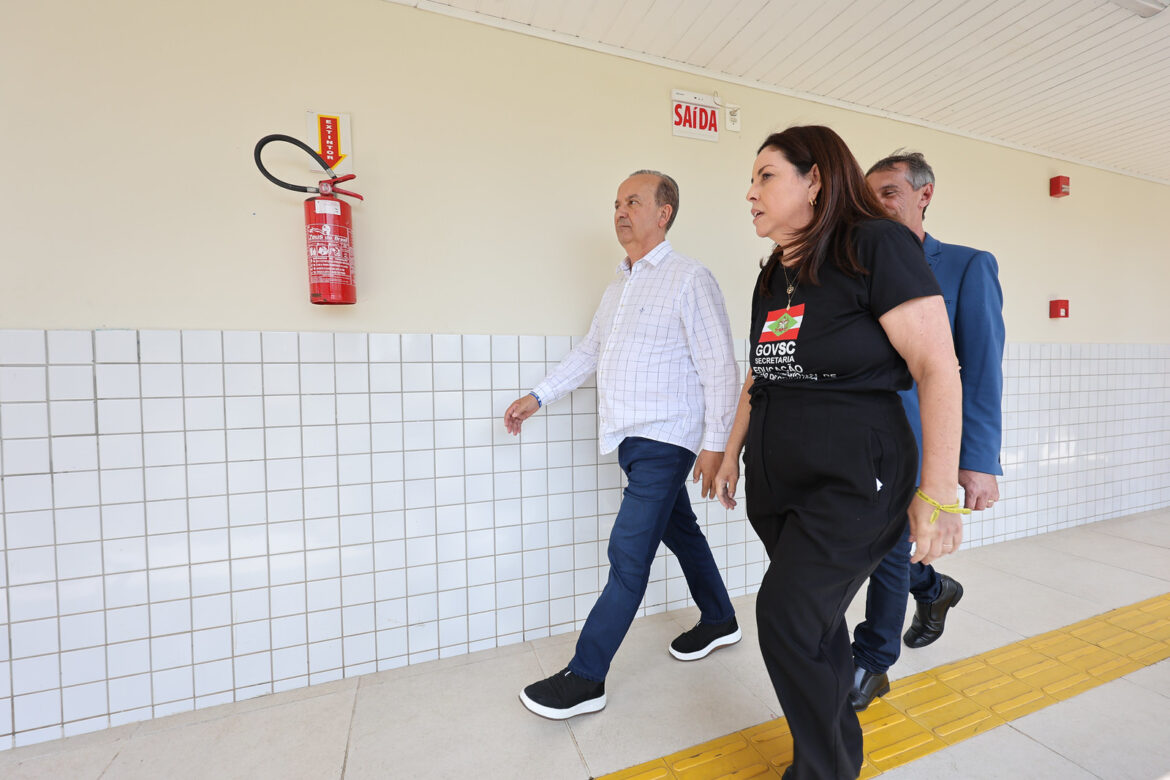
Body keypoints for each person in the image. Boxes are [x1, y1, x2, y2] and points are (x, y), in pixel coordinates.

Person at [713, 126, 964, 780]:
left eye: (765, 176)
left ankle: (822, 770)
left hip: (856, 478)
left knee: (784, 617)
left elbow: (937, 366)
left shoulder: (874, 245)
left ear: (815, 180)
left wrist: (938, 493)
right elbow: (762, 371)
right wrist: (729, 449)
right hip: (779, 482)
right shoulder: (776, 272)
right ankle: (833, 756)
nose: (750, 193)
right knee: (816, 624)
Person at [505, 170, 741, 720]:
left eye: (633, 201)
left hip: (667, 440)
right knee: (681, 531)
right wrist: (538, 396)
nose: (620, 211)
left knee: (627, 555)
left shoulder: (689, 278)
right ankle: (720, 618)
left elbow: (719, 367)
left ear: (664, 213)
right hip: (632, 441)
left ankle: (587, 676)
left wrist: (717, 446)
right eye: (616, 203)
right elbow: (591, 351)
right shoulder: (620, 285)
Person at [848, 151, 1005, 711]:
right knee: (874, 543)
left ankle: (871, 661)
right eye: (869, 197)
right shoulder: (858, 268)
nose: (877, 206)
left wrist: (977, 460)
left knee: (890, 546)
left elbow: (981, 369)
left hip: (921, 442)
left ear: (924, 195)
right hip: (862, 440)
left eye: (889, 192)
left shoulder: (966, 266)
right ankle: (935, 590)